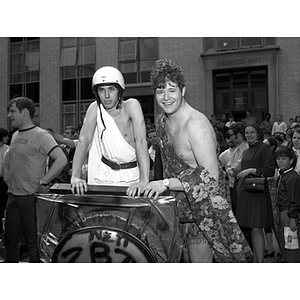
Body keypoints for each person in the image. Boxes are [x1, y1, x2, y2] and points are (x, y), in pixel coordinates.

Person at [142, 58, 251, 263]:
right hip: (177, 208)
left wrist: (164, 184)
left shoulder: (196, 125)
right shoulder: (161, 122)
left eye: (172, 90)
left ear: (182, 90)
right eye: (160, 91)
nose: (166, 97)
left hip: (205, 210)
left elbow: (211, 176)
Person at [3, 97, 68, 262]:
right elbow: (10, 161)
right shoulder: (15, 135)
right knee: (10, 241)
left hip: (30, 198)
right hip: (13, 196)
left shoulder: (41, 135)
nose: (9, 115)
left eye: (12, 111)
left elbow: (61, 159)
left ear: (24, 112)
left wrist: (43, 182)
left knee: (34, 245)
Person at [71, 66, 150, 197]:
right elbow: (83, 141)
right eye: (102, 90)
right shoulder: (94, 108)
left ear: (119, 91)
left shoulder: (131, 106)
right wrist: (75, 177)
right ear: (97, 93)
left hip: (130, 178)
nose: (107, 96)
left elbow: (141, 142)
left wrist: (144, 181)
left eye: (111, 90)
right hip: (103, 175)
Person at [236, 121, 275, 263]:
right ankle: (256, 260)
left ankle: (260, 262)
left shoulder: (264, 149)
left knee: (257, 228)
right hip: (245, 192)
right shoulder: (246, 151)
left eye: (252, 132)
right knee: (252, 229)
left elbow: (270, 170)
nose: (249, 135)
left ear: (258, 133)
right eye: (247, 132)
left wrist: (253, 170)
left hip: (257, 193)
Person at [274, 146, 300, 262]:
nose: (280, 161)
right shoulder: (283, 175)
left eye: (283, 158)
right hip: (282, 214)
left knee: (291, 246)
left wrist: (293, 219)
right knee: (283, 243)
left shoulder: (292, 177)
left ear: (291, 160)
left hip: (289, 215)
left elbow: (294, 200)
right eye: (278, 158)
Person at [0, 128, 9, 238]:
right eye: (5, 136)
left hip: (4, 181)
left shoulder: (8, 149)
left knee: (4, 206)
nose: (7, 138)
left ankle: (3, 231)